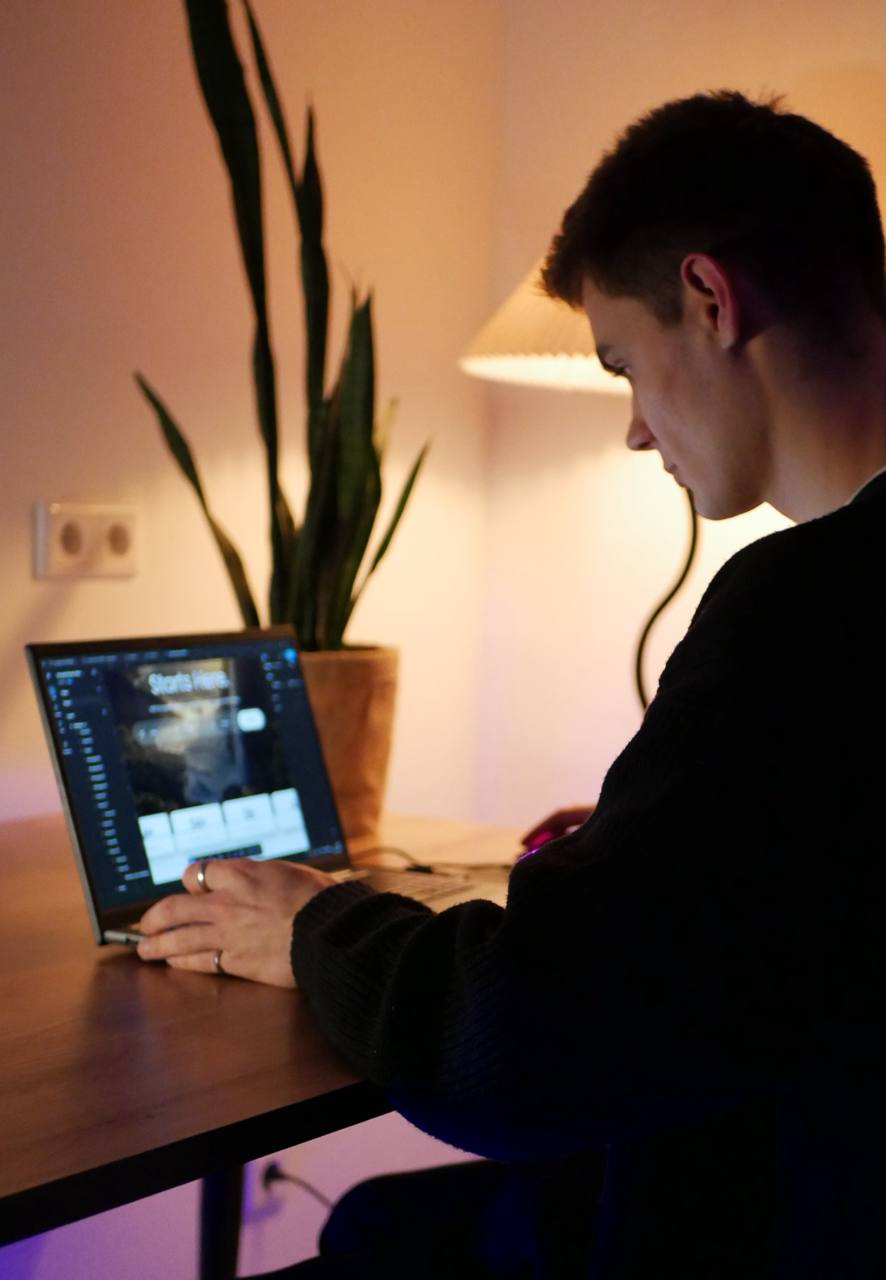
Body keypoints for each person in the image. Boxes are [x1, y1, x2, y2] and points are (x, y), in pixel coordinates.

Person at [137, 90, 886, 1276]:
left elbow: (527, 1042)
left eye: (622, 362)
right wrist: (644, 848)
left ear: (709, 296)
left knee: (375, 1235)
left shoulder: (805, 609)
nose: (636, 429)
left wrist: (318, 924)